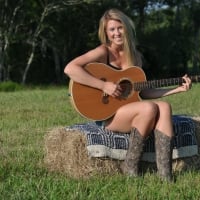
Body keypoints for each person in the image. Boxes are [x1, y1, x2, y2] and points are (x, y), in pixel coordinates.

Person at [64, 8, 192, 181]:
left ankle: (165, 174)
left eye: (120, 27)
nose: (117, 33)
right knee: (149, 108)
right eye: (112, 29)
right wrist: (103, 85)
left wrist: (177, 89)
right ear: (106, 33)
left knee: (164, 107)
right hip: (107, 115)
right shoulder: (103, 52)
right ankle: (130, 165)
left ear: (126, 28)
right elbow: (70, 68)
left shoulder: (135, 56)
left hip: (131, 111)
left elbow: (143, 92)